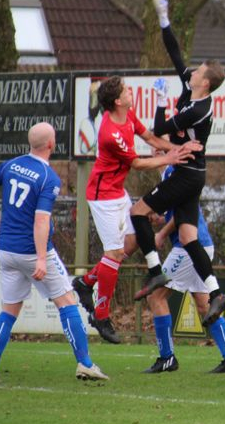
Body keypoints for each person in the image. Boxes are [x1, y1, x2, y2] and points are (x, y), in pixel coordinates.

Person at [0, 122, 108, 383]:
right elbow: (41, 221)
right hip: (31, 250)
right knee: (67, 301)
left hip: (6, 250)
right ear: (51, 144)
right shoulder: (48, 178)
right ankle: (85, 364)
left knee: (9, 310)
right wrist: (40, 258)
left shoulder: (11, 165)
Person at [129, 0, 225, 329]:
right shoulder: (194, 87)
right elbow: (175, 54)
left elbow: (159, 130)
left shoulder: (199, 109)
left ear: (205, 82)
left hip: (186, 175)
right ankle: (217, 293)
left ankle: (156, 272)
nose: (192, 71)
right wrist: (163, 20)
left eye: (198, 71)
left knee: (138, 212)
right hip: (192, 173)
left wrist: (160, 107)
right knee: (189, 239)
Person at [72, 75, 195, 345]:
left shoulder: (127, 117)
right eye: (127, 91)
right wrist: (170, 158)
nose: (131, 93)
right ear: (117, 100)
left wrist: (178, 149)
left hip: (118, 193)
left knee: (131, 243)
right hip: (102, 197)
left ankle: (85, 282)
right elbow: (138, 164)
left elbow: (150, 137)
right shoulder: (110, 132)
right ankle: (101, 316)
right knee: (114, 255)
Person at [143, 166, 225, 375]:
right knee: (205, 305)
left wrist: (160, 233)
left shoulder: (172, 171)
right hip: (200, 245)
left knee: (155, 295)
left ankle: (167, 357)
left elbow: (181, 216)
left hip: (189, 247)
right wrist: (161, 218)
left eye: (162, 143)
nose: (157, 147)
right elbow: (179, 211)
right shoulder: (170, 173)